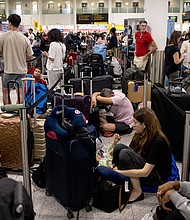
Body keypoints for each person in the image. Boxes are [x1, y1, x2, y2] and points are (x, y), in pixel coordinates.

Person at [112, 108, 172, 204]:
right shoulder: (140, 134)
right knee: (119, 148)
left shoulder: (158, 141)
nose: (132, 125)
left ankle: (137, 191)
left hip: (157, 177)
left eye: (135, 122)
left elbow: (145, 172)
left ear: (144, 124)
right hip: (146, 165)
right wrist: (113, 165)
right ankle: (115, 173)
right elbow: (131, 152)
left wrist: (119, 172)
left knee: (124, 153)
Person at [0, 14, 33, 104]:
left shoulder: (3, 37)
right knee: (20, 92)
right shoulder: (25, 39)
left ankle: (8, 112)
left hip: (8, 70)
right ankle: (19, 112)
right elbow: (29, 56)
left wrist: (5, 54)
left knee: (6, 91)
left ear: (10, 23)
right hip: (22, 70)